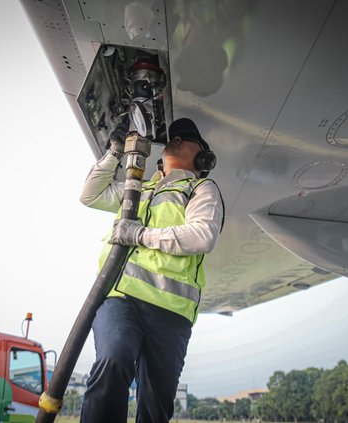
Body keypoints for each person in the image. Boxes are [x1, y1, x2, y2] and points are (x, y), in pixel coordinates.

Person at [79, 118, 224, 423]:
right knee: (113, 358)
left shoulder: (200, 188)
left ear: (203, 158)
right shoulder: (138, 189)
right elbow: (90, 195)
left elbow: (202, 235)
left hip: (170, 312)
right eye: (175, 136)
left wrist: (139, 234)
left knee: (156, 405)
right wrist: (114, 153)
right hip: (121, 299)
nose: (177, 139)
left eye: (187, 138)